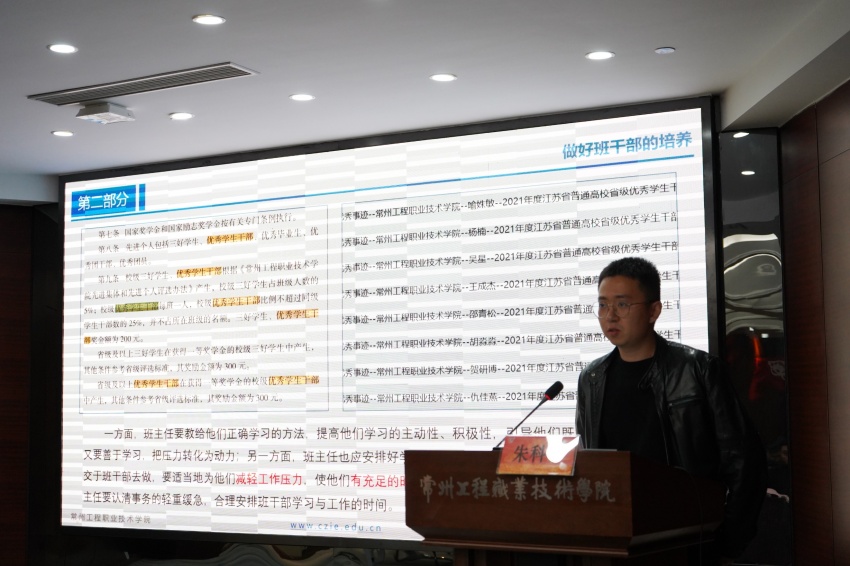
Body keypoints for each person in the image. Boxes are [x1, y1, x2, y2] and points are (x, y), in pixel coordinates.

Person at [575, 257, 767, 565]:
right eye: (602, 305)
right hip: (618, 543)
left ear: (654, 310)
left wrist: (727, 543)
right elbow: (593, 461)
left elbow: (744, 461)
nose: (610, 315)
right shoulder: (592, 379)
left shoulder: (698, 370)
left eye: (622, 304)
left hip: (688, 542)